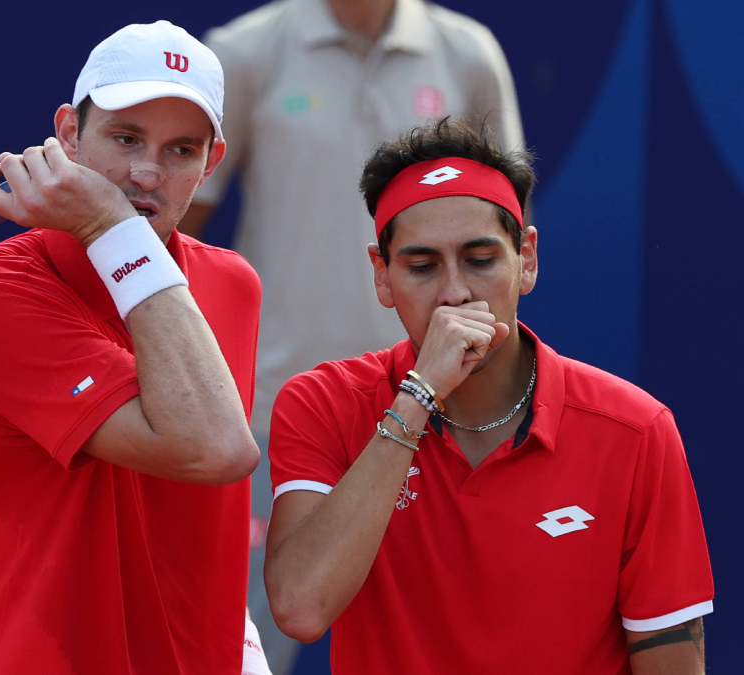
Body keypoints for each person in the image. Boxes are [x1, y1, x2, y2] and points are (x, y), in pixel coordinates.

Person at [263, 118, 714, 674]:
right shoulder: (323, 404)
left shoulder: (635, 429)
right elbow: (301, 608)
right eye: (422, 267)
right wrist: (418, 398)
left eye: (480, 260)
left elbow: (667, 653)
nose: (455, 293)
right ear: (382, 276)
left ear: (526, 257)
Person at [0, 21, 271, 674]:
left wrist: (237, 643)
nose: (146, 171)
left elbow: (189, 519)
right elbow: (213, 446)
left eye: (180, 150)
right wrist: (111, 227)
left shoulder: (233, 286)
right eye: (126, 138)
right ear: (69, 135)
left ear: (211, 163)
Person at [179, 2, 524, 666]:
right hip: (269, 414)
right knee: (238, 650)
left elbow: (500, 240)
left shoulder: (468, 54)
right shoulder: (247, 51)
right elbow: (172, 227)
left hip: (440, 423)